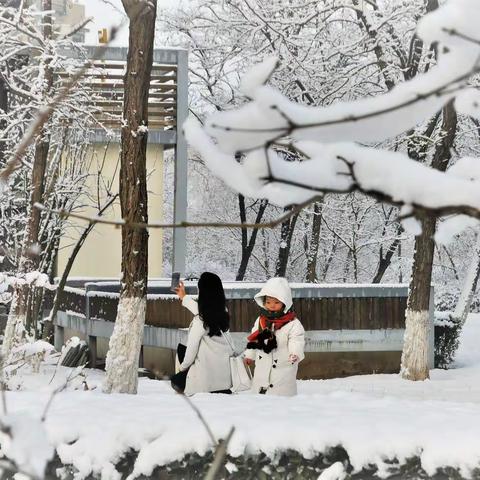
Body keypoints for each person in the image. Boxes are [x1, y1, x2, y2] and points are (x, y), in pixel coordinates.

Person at [171, 272, 232, 395]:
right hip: (224, 380)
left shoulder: (200, 322)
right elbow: (203, 311)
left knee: (181, 353)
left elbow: (191, 350)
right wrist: (184, 297)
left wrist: (182, 369)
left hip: (205, 383)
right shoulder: (223, 312)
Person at [243, 277, 305, 396]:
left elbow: (296, 340)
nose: (272, 305)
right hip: (262, 366)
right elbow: (254, 338)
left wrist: (295, 353)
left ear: (284, 303)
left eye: (276, 302)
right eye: (268, 302)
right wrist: (249, 355)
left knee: (281, 400)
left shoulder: (292, 323)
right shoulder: (261, 320)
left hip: (283, 368)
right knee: (261, 401)